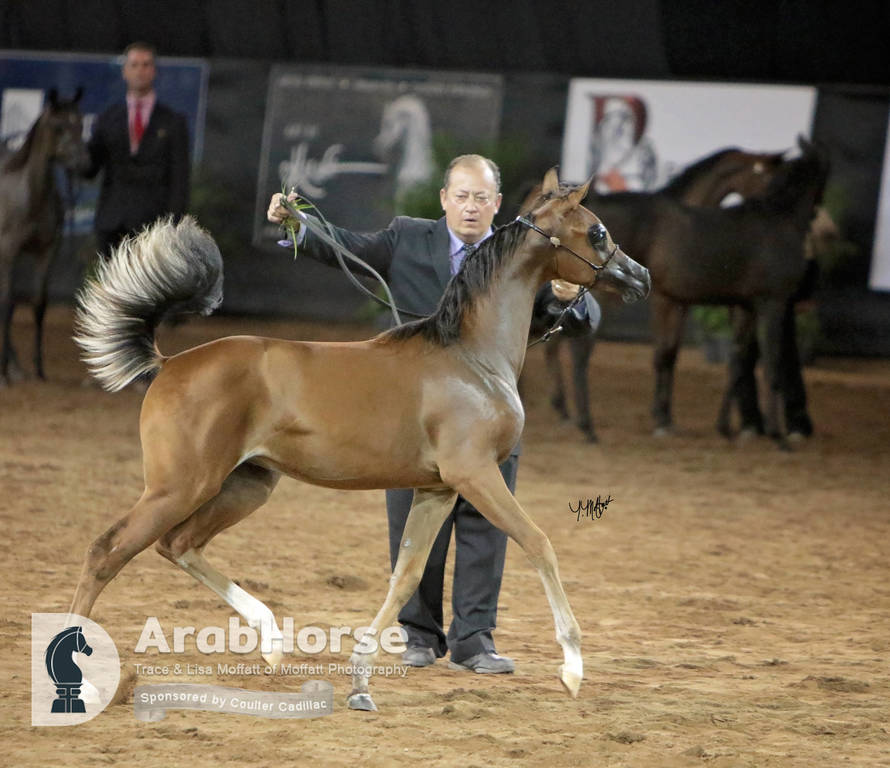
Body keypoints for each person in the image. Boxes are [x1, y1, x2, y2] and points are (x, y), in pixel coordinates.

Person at [268, 154, 600, 674]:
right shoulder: (407, 237)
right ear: (445, 199)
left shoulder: (520, 250)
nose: (471, 207)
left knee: (486, 525)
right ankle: (419, 634)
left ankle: (475, 640)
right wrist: (298, 224)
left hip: (485, 414)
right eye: (462, 196)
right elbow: (348, 247)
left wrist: (565, 297)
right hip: (411, 413)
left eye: (482, 198)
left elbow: (576, 317)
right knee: (412, 522)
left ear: (497, 205)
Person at [84, 42, 190, 259]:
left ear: (154, 71)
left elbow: (180, 178)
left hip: (153, 225)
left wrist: (172, 226)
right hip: (112, 222)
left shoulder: (172, 122)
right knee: (113, 290)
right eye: (134, 65)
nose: (140, 71)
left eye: (145, 64)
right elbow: (89, 168)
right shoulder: (108, 119)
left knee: (147, 291)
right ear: (125, 72)